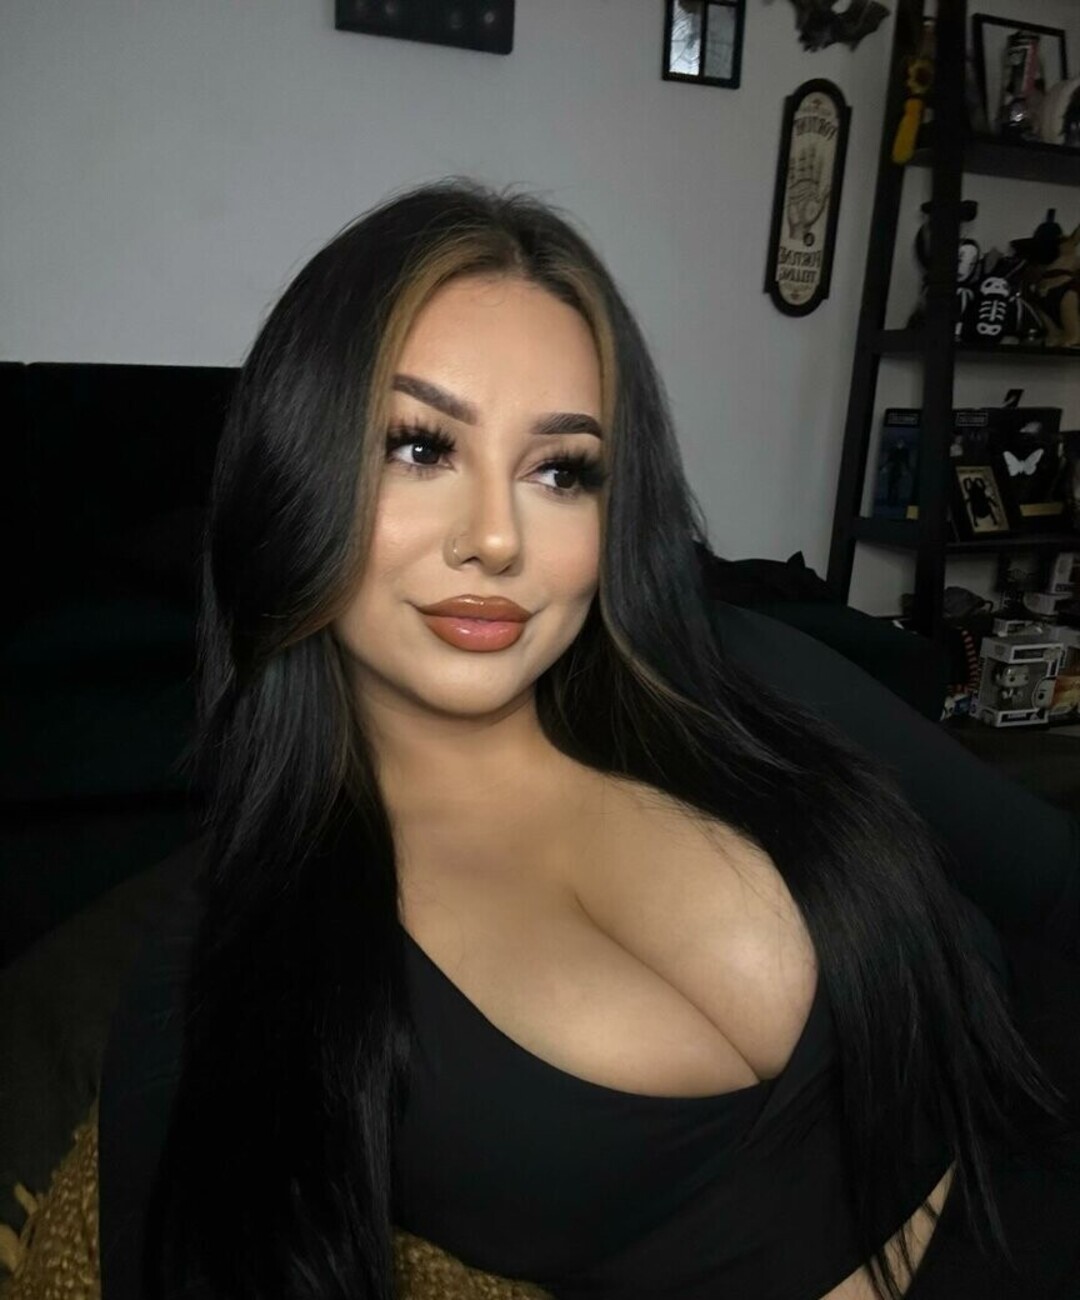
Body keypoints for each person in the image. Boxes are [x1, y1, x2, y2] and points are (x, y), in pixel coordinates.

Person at [15, 180, 1080, 1300]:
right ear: (294, 472)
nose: (495, 538)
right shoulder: (228, 964)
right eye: (418, 447)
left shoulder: (741, 675)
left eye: (560, 470)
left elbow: (1056, 888)